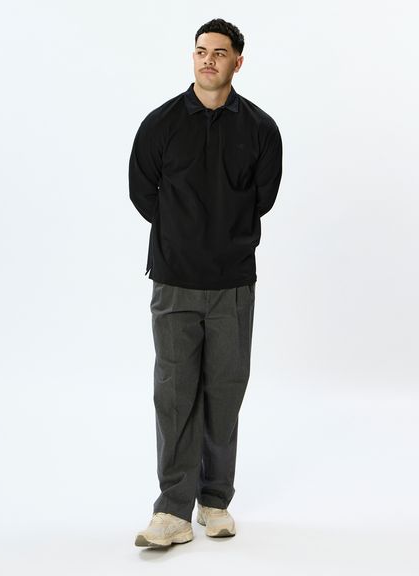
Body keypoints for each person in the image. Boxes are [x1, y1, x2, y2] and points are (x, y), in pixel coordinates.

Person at [128, 18, 283, 548]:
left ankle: (214, 500)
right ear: (192, 57)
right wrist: (182, 236)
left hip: (232, 283)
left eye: (219, 52)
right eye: (200, 51)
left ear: (238, 61)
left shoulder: (261, 129)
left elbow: (263, 197)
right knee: (174, 395)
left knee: (224, 393)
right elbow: (141, 191)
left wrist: (222, 238)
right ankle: (171, 512)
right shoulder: (161, 124)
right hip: (174, 281)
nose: (208, 60)